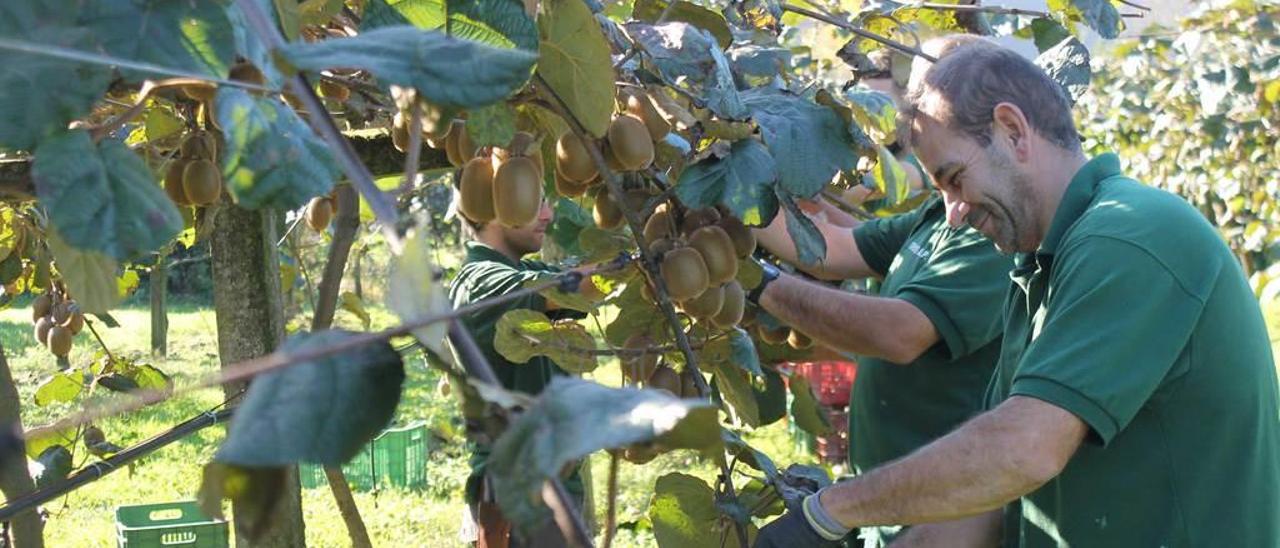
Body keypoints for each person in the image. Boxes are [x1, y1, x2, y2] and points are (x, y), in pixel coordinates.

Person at [755, 37, 1280, 548]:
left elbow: (1024, 449)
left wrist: (831, 510)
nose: (953, 211)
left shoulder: (1131, 237)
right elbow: (991, 504)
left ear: (1012, 130)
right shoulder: (1037, 268)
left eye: (955, 178)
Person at [750, 38, 1009, 548]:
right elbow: (833, 247)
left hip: (947, 513)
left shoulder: (990, 231)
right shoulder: (941, 213)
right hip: (894, 502)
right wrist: (741, 185)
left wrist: (758, 283)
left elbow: (898, 333)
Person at [446, 185, 592, 547]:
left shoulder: (517, 270)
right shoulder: (479, 282)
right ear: (494, 207)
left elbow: (584, 282)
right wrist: (638, 263)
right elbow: (561, 287)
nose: (548, 214)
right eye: (536, 200)